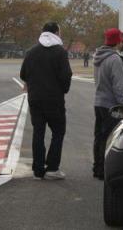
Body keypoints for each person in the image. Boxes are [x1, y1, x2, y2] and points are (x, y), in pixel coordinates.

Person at [20, 22, 72, 180]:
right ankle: (52, 168)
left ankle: (38, 169)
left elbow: (23, 74)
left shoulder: (31, 52)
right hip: (54, 99)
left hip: (35, 99)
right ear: (57, 32)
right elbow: (66, 76)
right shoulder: (60, 52)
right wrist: (62, 89)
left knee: (38, 132)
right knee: (58, 132)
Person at [92, 28, 123, 180]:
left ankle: (97, 168)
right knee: (110, 139)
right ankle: (107, 170)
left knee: (99, 137)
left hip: (99, 101)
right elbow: (119, 87)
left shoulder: (98, 56)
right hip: (112, 105)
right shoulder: (115, 59)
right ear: (118, 41)